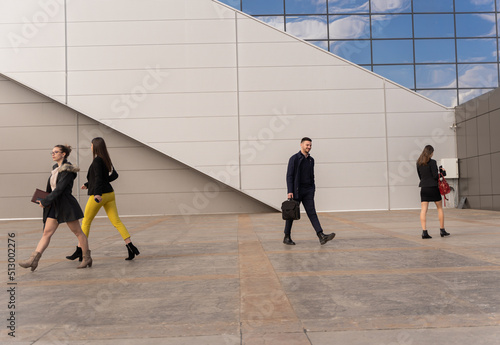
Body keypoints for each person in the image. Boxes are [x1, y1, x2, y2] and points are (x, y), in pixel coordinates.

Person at [66, 137, 140, 261]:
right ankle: (131, 247)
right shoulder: (106, 159)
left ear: (95, 146)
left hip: (100, 195)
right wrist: (88, 184)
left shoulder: (97, 161)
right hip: (110, 194)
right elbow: (109, 177)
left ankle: (80, 251)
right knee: (116, 221)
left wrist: (97, 193)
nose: (90, 147)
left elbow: (99, 179)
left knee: (86, 222)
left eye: (91, 145)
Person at [19, 145, 92, 271]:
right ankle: (33, 260)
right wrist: (44, 200)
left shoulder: (68, 169)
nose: (53, 154)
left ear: (63, 154)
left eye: (56, 152)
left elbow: (59, 189)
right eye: (52, 152)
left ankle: (87, 258)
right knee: (47, 232)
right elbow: (51, 188)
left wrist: (46, 201)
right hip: (54, 205)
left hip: (66, 205)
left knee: (78, 232)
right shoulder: (55, 169)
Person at [283, 137, 336, 245]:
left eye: (310, 145)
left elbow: (312, 176)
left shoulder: (311, 160)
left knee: (312, 213)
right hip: (296, 190)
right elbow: (289, 175)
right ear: (301, 145)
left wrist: (312, 189)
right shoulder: (294, 158)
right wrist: (290, 191)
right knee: (291, 214)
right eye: (307, 145)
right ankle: (286, 237)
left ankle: (321, 235)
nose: (309, 147)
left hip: (308, 191)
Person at [416, 145, 450, 239]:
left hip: (424, 188)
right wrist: (443, 172)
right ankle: (442, 230)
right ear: (430, 153)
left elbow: (420, 176)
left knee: (423, 210)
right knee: (439, 208)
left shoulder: (419, 163)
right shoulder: (433, 162)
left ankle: (424, 232)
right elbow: (435, 176)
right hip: (433, 188)